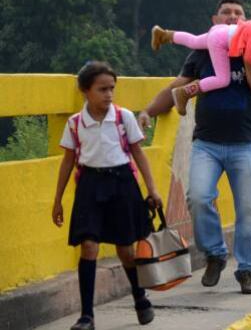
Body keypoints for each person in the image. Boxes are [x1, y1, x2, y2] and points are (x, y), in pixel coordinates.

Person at [137, 0, 251, 295]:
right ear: (215, 20)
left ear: (246, 21)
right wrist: (147, 111)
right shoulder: (202, 53)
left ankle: (248, 269)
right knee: (198, 198)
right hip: (207, 142)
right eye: (226, 13)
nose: (232, 17)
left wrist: (248, 54)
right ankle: (214, 254)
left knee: (250, 211)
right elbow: (177, 87)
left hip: (247, 142)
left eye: (238, 14)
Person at [52, 62, 163, 330]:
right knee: (88, 245)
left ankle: (139, 297)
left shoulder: (123, 117)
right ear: (85, 91)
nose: (108, 95)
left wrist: (152, 189)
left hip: (122, 184)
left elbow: (138, 153)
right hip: (90, 185)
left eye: (112, 89)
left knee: (125, 250)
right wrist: (57, 200)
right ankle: (87, 315)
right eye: (102, 89)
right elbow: (67, 161)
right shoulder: (76, 124)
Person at [150, 12, 251, 114]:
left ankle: (164, 35)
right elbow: (249, 57)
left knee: (194, 41)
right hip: (220, 42)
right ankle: (185, 92)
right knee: (222, 79)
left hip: (221, 31)